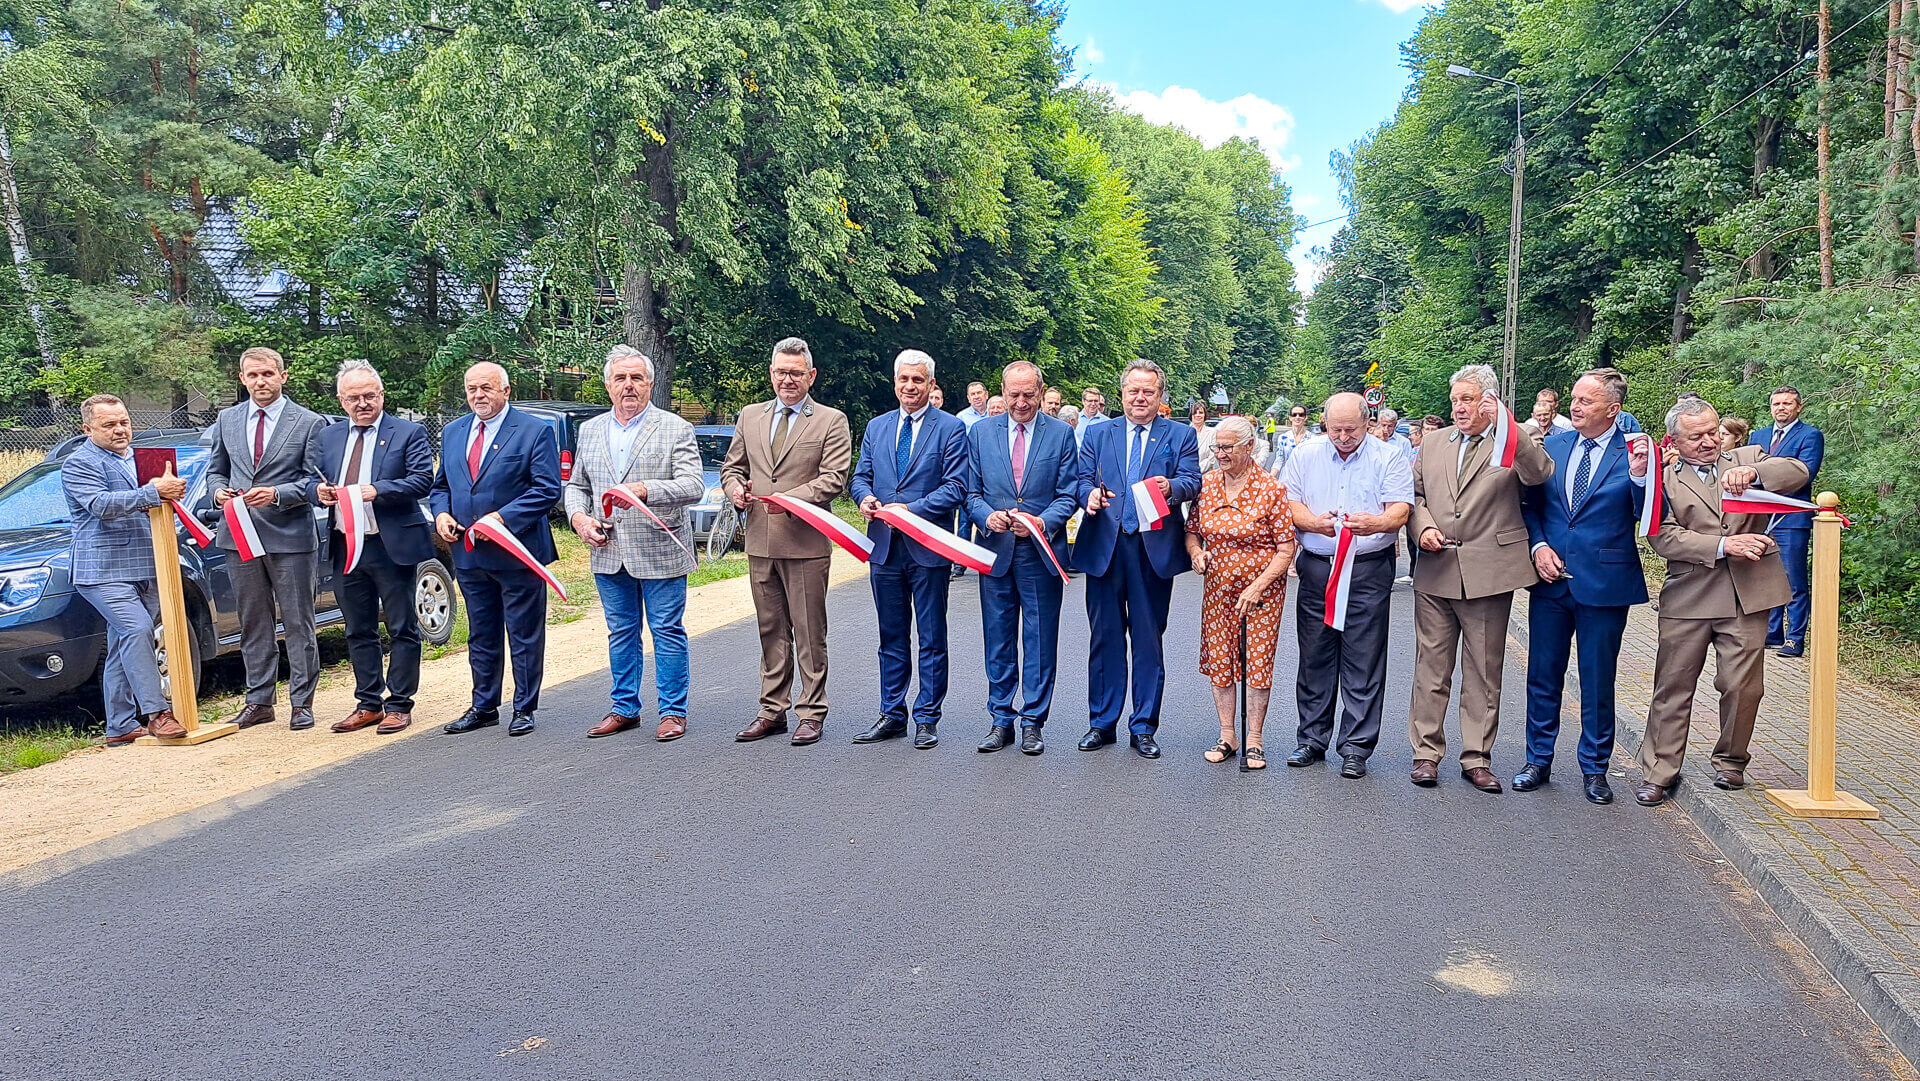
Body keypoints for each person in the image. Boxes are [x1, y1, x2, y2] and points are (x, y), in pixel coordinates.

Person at [1638, 396, 1809, 805]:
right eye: (1696, 436)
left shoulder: (1747, 457)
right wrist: (1724, 544)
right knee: (1673, 686)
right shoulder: (1663, 479)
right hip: (1690, 595)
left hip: (1748, 595)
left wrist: (1756, 472)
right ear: (1674, 441)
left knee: (1742, 686)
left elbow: (1799, 472)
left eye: (1713, 431)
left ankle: (1731, 761)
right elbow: (1662, 535)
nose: (1708, 441)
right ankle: (1660, 771)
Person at [1408, 363, 1554, 792]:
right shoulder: (1433, 443)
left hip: (1489, 572)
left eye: (1468, 400)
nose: (1459, 408)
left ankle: (1476, 757)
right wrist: (1423, 527)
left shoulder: (1512, 441)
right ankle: (1426, 754)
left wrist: (1508, 424)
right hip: (1435, 571)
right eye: (1455, 400)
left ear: (1489, 402)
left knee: (1484, 672)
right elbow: (1415, 496)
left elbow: (1538, 474)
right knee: (1430, 669)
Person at [1516, 368, 1649, 805]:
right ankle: (1538, 759)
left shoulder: (1634, 453)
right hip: (1551, 580)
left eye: (1586, 401)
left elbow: (1646, 515)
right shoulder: (1550, 447)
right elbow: (1530, 506)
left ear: (1613, 409)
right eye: (1573, 398)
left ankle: (1595, 768)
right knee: (1543, 674)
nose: (1574, 406)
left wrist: (1641, 478)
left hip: (1605, 582)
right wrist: (1538, 546)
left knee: (1597, 680)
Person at [564, 346, 706, 742]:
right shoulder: (590, 430)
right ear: (608, 385)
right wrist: (579, 519)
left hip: (660, 548)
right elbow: (577, 485)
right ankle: (625, 708)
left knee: (666, 630)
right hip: (607, 549)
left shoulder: (675, 427)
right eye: (620, 378)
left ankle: (673, 711)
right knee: (621, 632)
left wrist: (645, 489)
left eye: (636, 378)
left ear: (650, 383)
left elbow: (693, 486)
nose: (628, 386)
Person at [721, 337, 853, 746]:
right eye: (781, 372)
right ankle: (771, 709)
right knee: (770, 629)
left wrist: (788, 500)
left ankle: (811, 711)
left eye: (796, 373)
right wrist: (733, 490)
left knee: (809, 631)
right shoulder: (751, 415)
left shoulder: (831, 420)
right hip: (760, 540)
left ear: (811, 376)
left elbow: (834, 479)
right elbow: (732, 467)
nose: (787, 379)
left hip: (806, 541)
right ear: (771, 373)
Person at [1071, 358, 1203, 758]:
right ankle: (1102, 723)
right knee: (1105, 638)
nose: (1140, 397)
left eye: (1148, 391)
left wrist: (1173, 486)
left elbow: (1193, 480)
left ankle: (1144, 726)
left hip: (1152, 549)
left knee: (1148, 640)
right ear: (1122, 394)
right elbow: (1078, 479)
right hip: (1106, 547)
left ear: (1160, 396)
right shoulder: (1098, 434)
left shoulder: (1179, 435)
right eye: (1134, 390)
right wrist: (1087, 495)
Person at [1282, 393, 1412, 778]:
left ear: (1367, 422)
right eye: (1335, 429)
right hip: (1319, 566)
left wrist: (1377, 523)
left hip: (1368, 567)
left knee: (1364, 658)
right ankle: (1311, 739)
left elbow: (1401, 509)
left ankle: (1356, 747)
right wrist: (1310, 522)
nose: (1342, 436)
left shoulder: (1387, 456)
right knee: (1315, 655)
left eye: (1350, 429)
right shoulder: (1306, 454)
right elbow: (1288, 502)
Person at [431, 362, 562, 737]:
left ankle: (524, 707)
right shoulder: (454, 432)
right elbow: (442, 486)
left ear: (506, 390)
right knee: (481, 632)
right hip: (469, 554)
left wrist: (502, 519)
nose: (478, 395)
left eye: (486, 388)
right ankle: (484, 705)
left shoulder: (534, 431)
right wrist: (441, 515)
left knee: (523, 631)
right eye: (472, 388)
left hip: (517, 550)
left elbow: (546, 488)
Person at [850, 349, 971, 748]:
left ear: (931, 384)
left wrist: (909, 511)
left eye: (918, 380)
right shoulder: (877, 427)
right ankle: (891, 713)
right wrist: (865, 498)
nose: (910, 387)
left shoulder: (952, 429)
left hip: (928, 548)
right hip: (884, 548)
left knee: (932, 635)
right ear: (895, 382)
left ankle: (927, 717)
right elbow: (861, 476)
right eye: (904, 380)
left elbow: (956, 487)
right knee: (891, 634)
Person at [310, 360, 435, 736]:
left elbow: (421, 480)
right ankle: (368, 702)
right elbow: (307, 479)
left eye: (369, 395)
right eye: (353, 398)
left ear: (382, 395)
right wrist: (316, 492)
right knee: (356, 628)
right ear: (341, 400)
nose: (362, 403)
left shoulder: (407, 432)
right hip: (345, 543)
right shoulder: (329, 437)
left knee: (401, 625)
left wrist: (377, 490)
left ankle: (399, 703)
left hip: (388, 542)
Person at [206, 346, 327, 731]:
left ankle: (301, 702)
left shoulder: (309, 422)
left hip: (290, 535)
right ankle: (259, 700)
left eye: (268, 374)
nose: (260, 381)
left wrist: (278, 494)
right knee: (252, 621)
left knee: (298, 621)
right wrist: (218, 492)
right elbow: (215, 471)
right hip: (239, 534)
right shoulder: (227, 419)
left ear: (282, 376)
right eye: (252, 375)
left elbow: (315, 482)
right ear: (242, 379)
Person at [964, 360, 1079, 755]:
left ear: (1041, 391)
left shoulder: (1061, 434)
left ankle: (1033, 720)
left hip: (1040, 553)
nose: (1021, 402)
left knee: (1040, 638)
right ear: (1003, 390)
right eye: (1013, 394)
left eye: (1029, 394)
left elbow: (1069, 494)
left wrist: (1041, 522)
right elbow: (970, 491)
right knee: (997, 639)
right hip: (994, 552)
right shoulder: (980, 433)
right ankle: (1001, 719)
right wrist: (985, 516)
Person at [61, 394, 189, 745]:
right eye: (109, 425)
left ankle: (119, 724)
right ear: (87, 429)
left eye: (124, 422)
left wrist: (172, 493)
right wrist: (153, 493)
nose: (120, 430)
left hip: (146, 566)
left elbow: (157, 501)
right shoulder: (78, 463)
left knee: (122, 643)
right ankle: (157, 714)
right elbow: (100, 505)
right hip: (101, 571)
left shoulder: (142, 458)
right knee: (137, 629)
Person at [1187, 417, 1296, 768]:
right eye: (1216, 447)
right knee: (1221, 658)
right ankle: (1227, 734)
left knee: (1258, 659)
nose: (1220, 453)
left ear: (1249, 447)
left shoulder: (1270, 488)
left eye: (1227, 447)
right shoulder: (1207, 485)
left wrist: (1258, 586)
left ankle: (1254, 738)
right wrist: (1196, 553)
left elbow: (1285, 547)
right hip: (1218, 588)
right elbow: (1192, 532)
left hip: (1262, 590)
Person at [1750, 386, 1823, 657]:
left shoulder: (1810, 435)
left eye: (1787, 403)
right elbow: (1746, 468)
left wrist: (1761, 478)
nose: (1781, 408)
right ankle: (1772, 632)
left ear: (1798, 407)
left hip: (1791, 518)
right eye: (1776, 403)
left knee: (1793, 580)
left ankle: (1794, 638)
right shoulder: (1759, 436)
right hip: (1761, 518)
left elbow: (1805, 473)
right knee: (1766, 577)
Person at [1271, 404, 1312, 477]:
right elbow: (1279, 460)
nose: (1297, 417)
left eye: (1301, 415)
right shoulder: (1283, 438)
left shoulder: (1312, 438)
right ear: (1290, 418)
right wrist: (1270, 477)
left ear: (1305, 417)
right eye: (1294, 414)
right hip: (1287, 478)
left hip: (1307, 477)